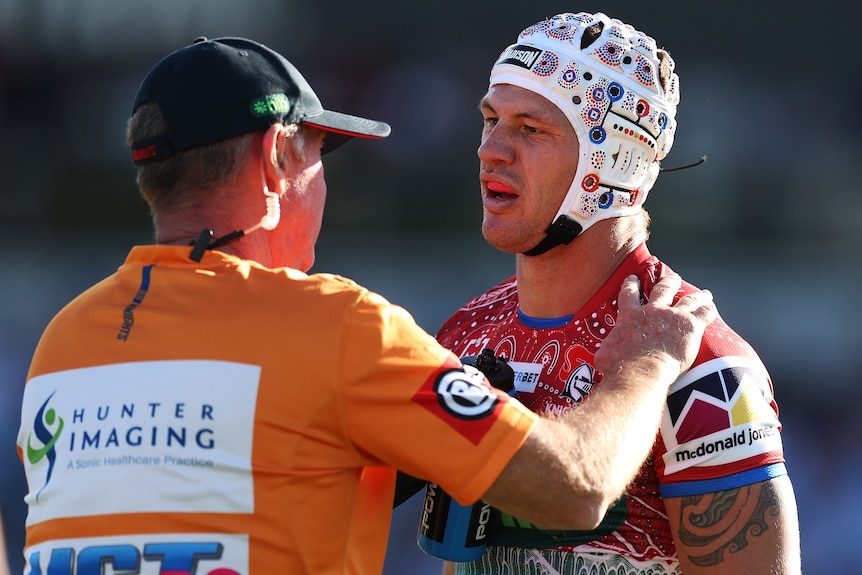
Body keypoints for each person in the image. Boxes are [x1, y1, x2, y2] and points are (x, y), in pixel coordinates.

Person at [15, 36, 717, 575]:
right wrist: (645, 363)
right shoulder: (337, 327)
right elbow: (579, 487)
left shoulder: (64, 341)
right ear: (275, 160)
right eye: (322, 154)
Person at [430, 11, 801, 575]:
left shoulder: (705, 371)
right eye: (490, 119)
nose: (491, 150)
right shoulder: (466, 333)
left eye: (532, 129)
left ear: (612, 163)